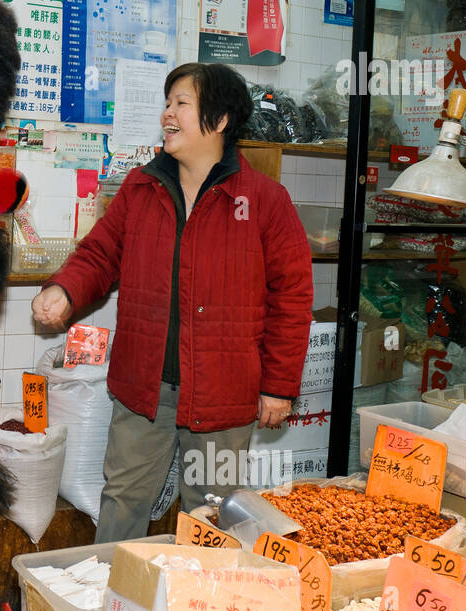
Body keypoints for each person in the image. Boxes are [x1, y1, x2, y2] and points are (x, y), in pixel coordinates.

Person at [31, 62, 313, 543]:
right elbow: (100, 254)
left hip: (222, 395)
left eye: (181, 103)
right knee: (122, 500)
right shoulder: (142, 189)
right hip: (145, 390)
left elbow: (292, 297)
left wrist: (279, 385)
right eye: (167, 103)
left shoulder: (263, 200)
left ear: (220, 119)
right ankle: (111, 604)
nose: (167, 114)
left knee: (209, 516)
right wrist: (65, 289)